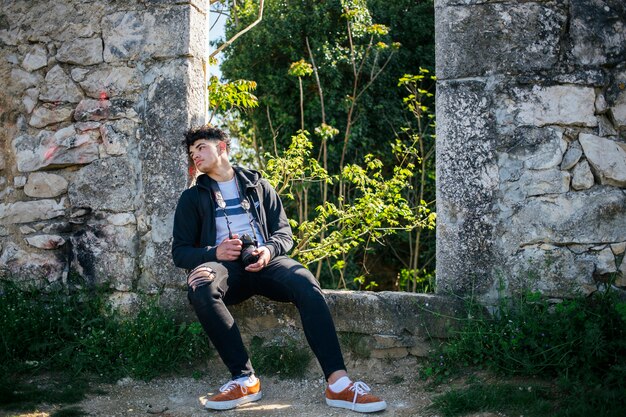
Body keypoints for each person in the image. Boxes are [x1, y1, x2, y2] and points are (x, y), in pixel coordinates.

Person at [172, 125, 387, 413]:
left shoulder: (259, 186)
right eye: (191, 152)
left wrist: (268, 250)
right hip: (223, 268)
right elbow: (180, 252)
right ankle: (244, 379)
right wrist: (214, 252)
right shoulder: (192, 197)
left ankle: (339, 384)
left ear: (221, 147)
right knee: (200, 284)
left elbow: (284, 234)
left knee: (305, 281)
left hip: (266, 261)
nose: (195, 156)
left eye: (200, 147)